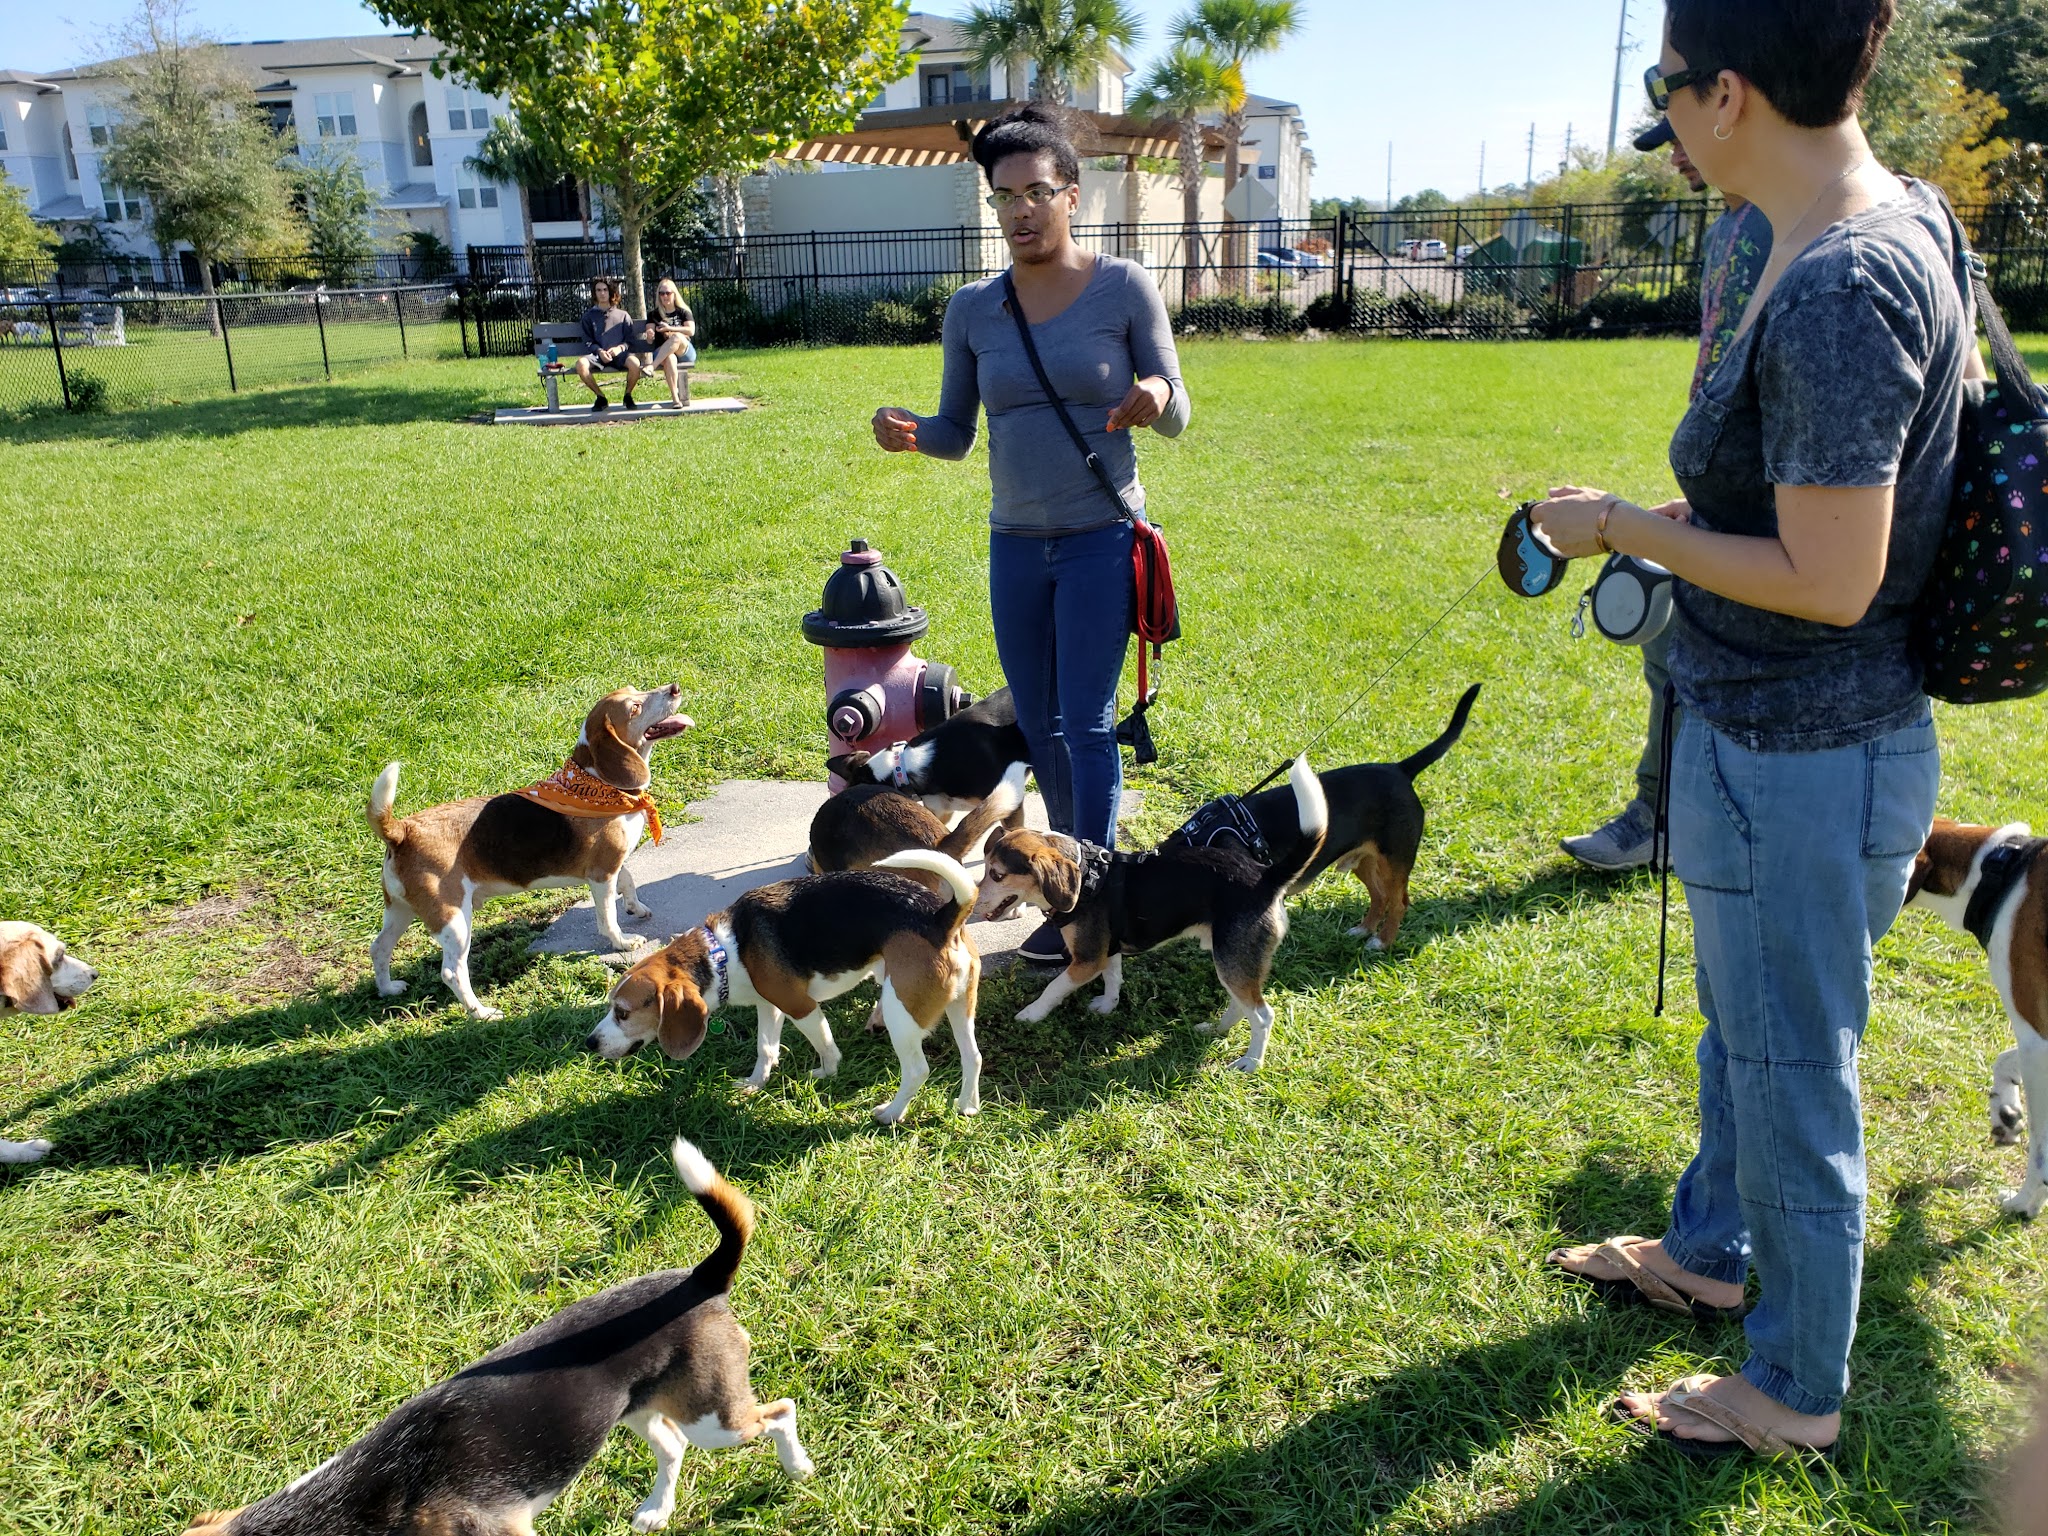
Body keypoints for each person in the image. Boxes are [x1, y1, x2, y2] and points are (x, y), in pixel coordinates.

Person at [1537, 0, 1974, 1459]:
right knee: (1757, 1038)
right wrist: (1683, 528)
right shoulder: (1835, 222)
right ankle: (1711, 1254)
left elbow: (1835, 580)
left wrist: (1613, 527)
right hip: (1772, 737)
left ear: (1730, 93)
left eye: (1667, 88)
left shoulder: (1847, 278)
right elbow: (1809, 515)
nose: (1661, 119)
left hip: (1810, 755)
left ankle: (1793, 1389)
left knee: (1796, 1075)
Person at [868, 103, 1190, 965]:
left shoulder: (1124, 286)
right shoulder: (974, 310)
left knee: (1084, 723)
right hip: (1015, 545)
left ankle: (1093, 896)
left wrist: (1155, 395)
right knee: (1041, 727)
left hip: (1099, 541)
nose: (1020, 211)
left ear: (1072, 196)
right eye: (1004, 196)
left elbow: (1179, 407)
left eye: (1037, 192)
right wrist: (909, 431)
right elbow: (956, 432)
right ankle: (1067, 880)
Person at [1560, 117, 1772, 871]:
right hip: (1726, 518)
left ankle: (1675, 819)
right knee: (1668, 651)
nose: (1675, 153)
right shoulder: (1732, 227)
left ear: (1732, 100)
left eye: (1683, 130)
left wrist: (1618, 523)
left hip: (1787, 557)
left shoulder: (1792, 230)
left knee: (1688, 657)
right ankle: (1662, 817)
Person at [572, 276, 643, 411]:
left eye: (605, 290)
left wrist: (619, 348)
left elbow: (630, 341)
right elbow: (587, 341)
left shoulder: (623, 315)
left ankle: (628, 395)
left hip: (620, 355)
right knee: (581, 364)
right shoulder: (588, 316)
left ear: (611, 292)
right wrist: (599, 351)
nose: (602, 293)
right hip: (597, 355)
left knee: (635, 363)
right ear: (594, 293)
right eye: (598, 290)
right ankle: (600, 397)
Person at [639, 277, 697, 406]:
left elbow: (691, 331)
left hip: (684, 351)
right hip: (662, 353)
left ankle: (652, 367)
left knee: (676, 337)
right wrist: (650, 335)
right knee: (670, 357)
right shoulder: (654, 314)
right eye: (661, 293)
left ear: (674, 294)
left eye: (668, 293)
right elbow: (650, 340)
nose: (665, 296)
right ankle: (675, 398)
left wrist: (670, 328)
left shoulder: (683, 312)